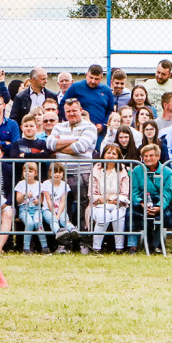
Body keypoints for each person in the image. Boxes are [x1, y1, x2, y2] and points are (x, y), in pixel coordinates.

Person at [46, 98, 98, 252]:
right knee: (62, 210)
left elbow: (81, 146)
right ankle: (64, 244)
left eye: (74, 110)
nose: (71, 114)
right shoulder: (58, 126)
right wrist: (73, 141)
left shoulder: (90, 127)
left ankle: (83, 243)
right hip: (61, 175)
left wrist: (60, 146)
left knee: (83, 209)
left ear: (80, 110)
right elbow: (49, 145)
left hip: (83, 174)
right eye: (68, 111)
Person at [129, 144, 172, 254]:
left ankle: (155, 245)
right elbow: (134, 192)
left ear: (158, 156)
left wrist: (159, 206)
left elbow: (167, 193)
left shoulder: (167, 171)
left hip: (159, 200)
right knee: (130, 213)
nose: (148, 158)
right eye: (145, 156)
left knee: (164, 214)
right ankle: (132, 246)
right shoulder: (137, 170)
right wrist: (141, 203)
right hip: (142, 200)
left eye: (151, 155)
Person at [88, 143, 131, 254]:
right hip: (98, 205)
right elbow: (92, 195)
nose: (111, 156)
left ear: (118, 156)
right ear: (103, 155)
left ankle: (119, 248)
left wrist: (114, 199)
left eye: (114, 153)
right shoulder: (96, 170)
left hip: (118, 204)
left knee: (117, 216)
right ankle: (96, 248)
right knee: (104, 215)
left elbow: (124, 194)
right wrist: (107, 198)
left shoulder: (123, 171)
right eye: (108, 153)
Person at [60, 64, 115, 141]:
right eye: (91, 77)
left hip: (99, 133)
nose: (93, 81)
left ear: (101, 78)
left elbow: (110, 111)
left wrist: (102, 125)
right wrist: (70, 122)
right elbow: (63, 104)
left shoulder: (107, 90)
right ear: (86, 75)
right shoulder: (76, 87)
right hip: (79, 132)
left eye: (96, 79)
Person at [40, 161, 79, 253]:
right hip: (47, 209)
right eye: (55, 172)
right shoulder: (45, 184)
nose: (57, 174)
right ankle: (59, 232)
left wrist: (59, 213)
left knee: (64, 219)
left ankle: (72, 230)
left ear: (63, 173)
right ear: (50, 173)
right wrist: (54, 213)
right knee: (53, 219)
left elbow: (63, 201)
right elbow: (48, 200)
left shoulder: (65, 185)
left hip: (60, 210)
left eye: (60, 172)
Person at [14, 161, 50, 254]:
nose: (27, 173)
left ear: (35, 173)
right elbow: (18, 200)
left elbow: (41, 200)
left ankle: (44, 246)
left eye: (30, 171)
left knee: (38, 223)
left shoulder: (39, 185)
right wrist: (24, 194)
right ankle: (26, 248)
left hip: (36, 209)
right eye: (25, 171)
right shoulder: (20, 184)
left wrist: (38, 201)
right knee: (29, 223)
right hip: (24, 209)